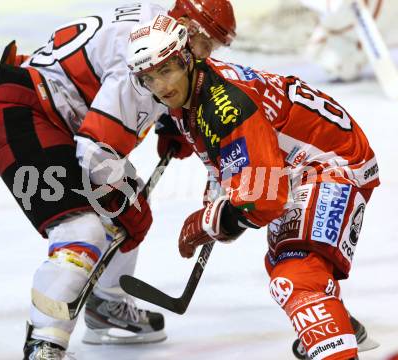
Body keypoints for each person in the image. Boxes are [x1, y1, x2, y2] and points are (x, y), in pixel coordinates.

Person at [0, 1, 236, 359]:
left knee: (126, 209)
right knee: (83, 231)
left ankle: (106, 306)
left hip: (49, 112)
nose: (207, 55)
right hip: (23, 116)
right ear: (187, 26)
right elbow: (96, 151)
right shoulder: (148, 53)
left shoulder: (155, 27)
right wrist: (117, 202)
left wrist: (167, 120)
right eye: (206, 42)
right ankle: (44, 343)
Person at [127, 15, 380, 360]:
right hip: (296, 161)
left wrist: (207, 222)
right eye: (149, 78)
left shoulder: (224, 106)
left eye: (167, 71)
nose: (160, 86)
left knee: (295, 273)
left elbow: (263, 201)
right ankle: (339, 327)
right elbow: (236, 163)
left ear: (187, 58)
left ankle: (337, 347)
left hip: (332, 162)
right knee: (282, 255)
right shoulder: (196, 87)